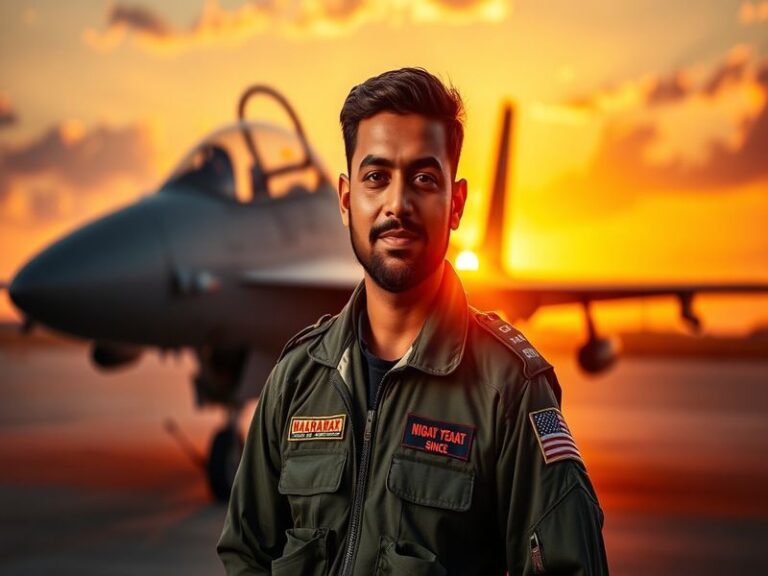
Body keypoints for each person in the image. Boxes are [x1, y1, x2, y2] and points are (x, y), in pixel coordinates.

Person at [217, 67, 609, 575]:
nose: (396, 205)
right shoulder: (297, 379)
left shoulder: (508, 388)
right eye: (376, 177)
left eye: (424, 179)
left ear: (457, 204)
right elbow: (246, 553)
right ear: (345, 198)